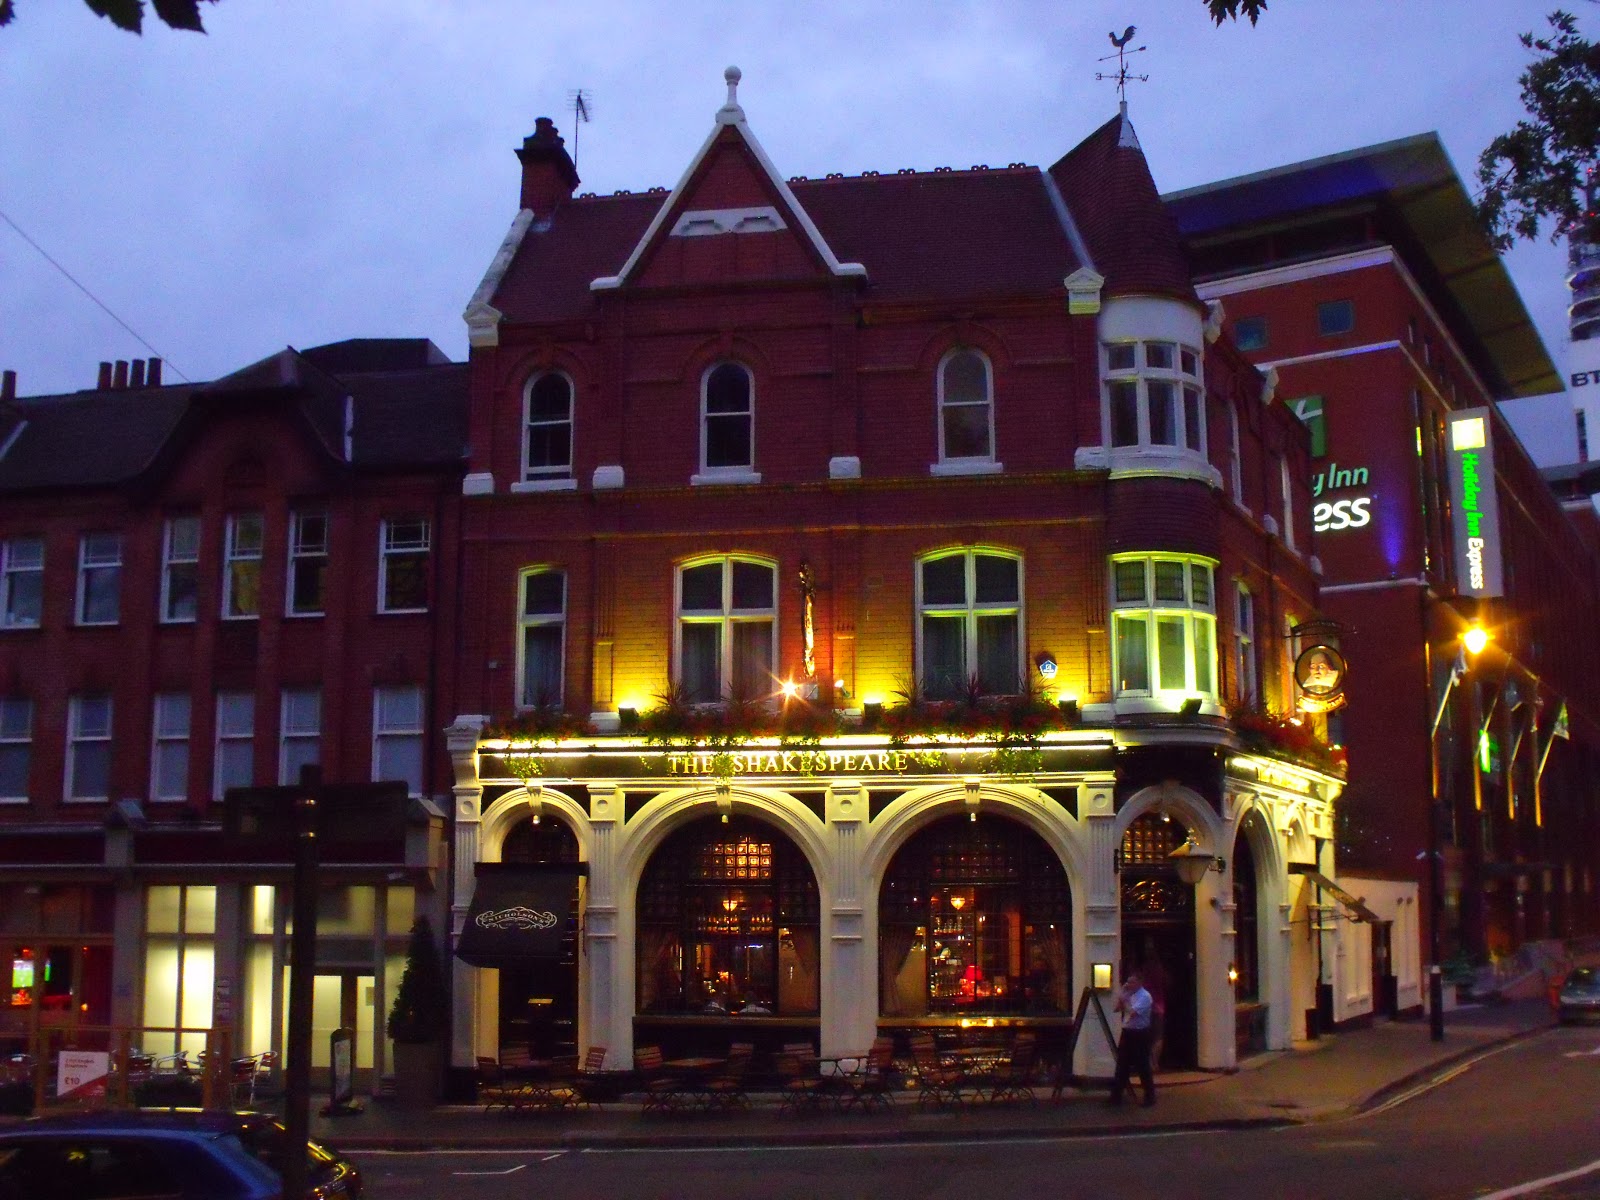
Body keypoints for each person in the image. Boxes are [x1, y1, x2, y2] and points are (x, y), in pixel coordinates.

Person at [1109, 970, 1156, 1107]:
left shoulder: (1145, 996)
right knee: (1122, 1065)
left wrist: (1125, 1001)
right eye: (1128, 982)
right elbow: (1116, 1009)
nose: (1129, 984)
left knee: (1143, 1066)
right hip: (1127, 1032)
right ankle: (1115, 1097)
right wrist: (1121, 995)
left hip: (1140, 1033)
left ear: (1140, 982)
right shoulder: (1128, 994)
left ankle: (1149, 1097)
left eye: (1132, 982)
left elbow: (1133, 1012)